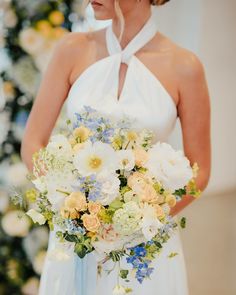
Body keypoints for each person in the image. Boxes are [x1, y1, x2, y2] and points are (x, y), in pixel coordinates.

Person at [20, 0, 211, 294]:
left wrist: (141, 218)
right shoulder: (72, 49)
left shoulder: (184, 66)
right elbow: (33, 142)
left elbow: (201, 170)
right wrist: (69, 204)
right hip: (76, 235)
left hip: (144, 242)